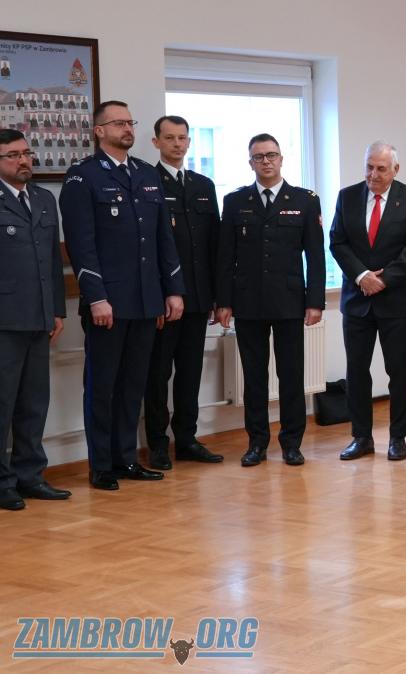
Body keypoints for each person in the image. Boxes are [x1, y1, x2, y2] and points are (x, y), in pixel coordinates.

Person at [59, 101, 185, 490]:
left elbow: (163, 239)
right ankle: (102, 465)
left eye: (130, 122)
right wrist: (96, 296)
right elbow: (81, 244)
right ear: (99, 131)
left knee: (134, 384)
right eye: (118, 123)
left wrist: (173, 290)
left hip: (146, 299)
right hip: (108, 302)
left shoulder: (146, 174)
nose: (127, 129)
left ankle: (127, 458)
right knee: (103, 385)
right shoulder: (83, 177)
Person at [215, 134, 324, 468]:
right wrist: (224, 301)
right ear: (250, 162)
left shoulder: (305, 200)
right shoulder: (235, 201)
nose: (266, 161)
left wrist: (315, 301)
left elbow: (315, 256)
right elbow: (225, 256)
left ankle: (292, 443)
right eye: (259, 157)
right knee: (254, 377)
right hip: (248, 302)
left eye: (271, 155)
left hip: (290, 301)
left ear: (281, 159)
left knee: (291, 376)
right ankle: (257, 443)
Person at [328, 142, 406, 462]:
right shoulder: (347, 197)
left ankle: (398, 437)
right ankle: (361, 437)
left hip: (398, 301)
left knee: (399, 371)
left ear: (395, 170)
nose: (373, 174)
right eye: (369, 167)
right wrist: (362, 276)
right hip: (357, 300)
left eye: (381, 169)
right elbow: (337, 242)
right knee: (357, 371)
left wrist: (383, 280)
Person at [143, 115, 223, 469]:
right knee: (158, 374)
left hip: (198, 297)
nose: (177, 144)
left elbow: (214, 244)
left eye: (182, 138)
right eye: (169, 138)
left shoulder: (203, 185)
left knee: (190, 373)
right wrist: (158, 294)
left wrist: (216, 296)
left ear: (189, 142)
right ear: (156, 142)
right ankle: (158, 444)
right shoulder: (147, 182)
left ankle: (187, 439)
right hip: (165, 299)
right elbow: (147, 246)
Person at [0, 129, 70, 509]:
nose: (23, 160)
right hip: (5, 321)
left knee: (34, 402)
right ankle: (2, 483)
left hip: (39, 316)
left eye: (26, 153)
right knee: (2, 404)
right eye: (13, 155)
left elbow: (52, 262)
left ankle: (30, 476)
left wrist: (57, 309)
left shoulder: (44, 199)